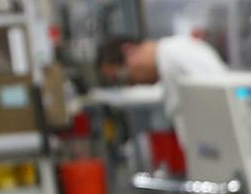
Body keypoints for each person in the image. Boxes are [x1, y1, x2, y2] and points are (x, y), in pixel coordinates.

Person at [97, 29, 228, 124]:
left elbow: (225, 99)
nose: (132, 84)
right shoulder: (167, 63)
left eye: (123, 77)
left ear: (128, 50)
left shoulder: (177, 53)